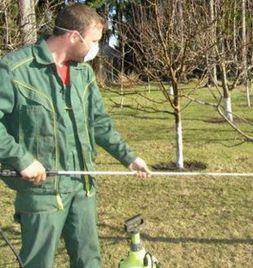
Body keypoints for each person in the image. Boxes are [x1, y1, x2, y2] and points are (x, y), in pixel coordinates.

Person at [0, 3, 150, 267]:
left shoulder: (83, 74)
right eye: (93, 41)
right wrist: (21, 159)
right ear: (73, 36)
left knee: (89, 260)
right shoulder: (15, 70)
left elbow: (99, 123)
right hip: (41, 193)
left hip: (83, 188)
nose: (96, 48)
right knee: (38, 263)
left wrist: (130, 157)